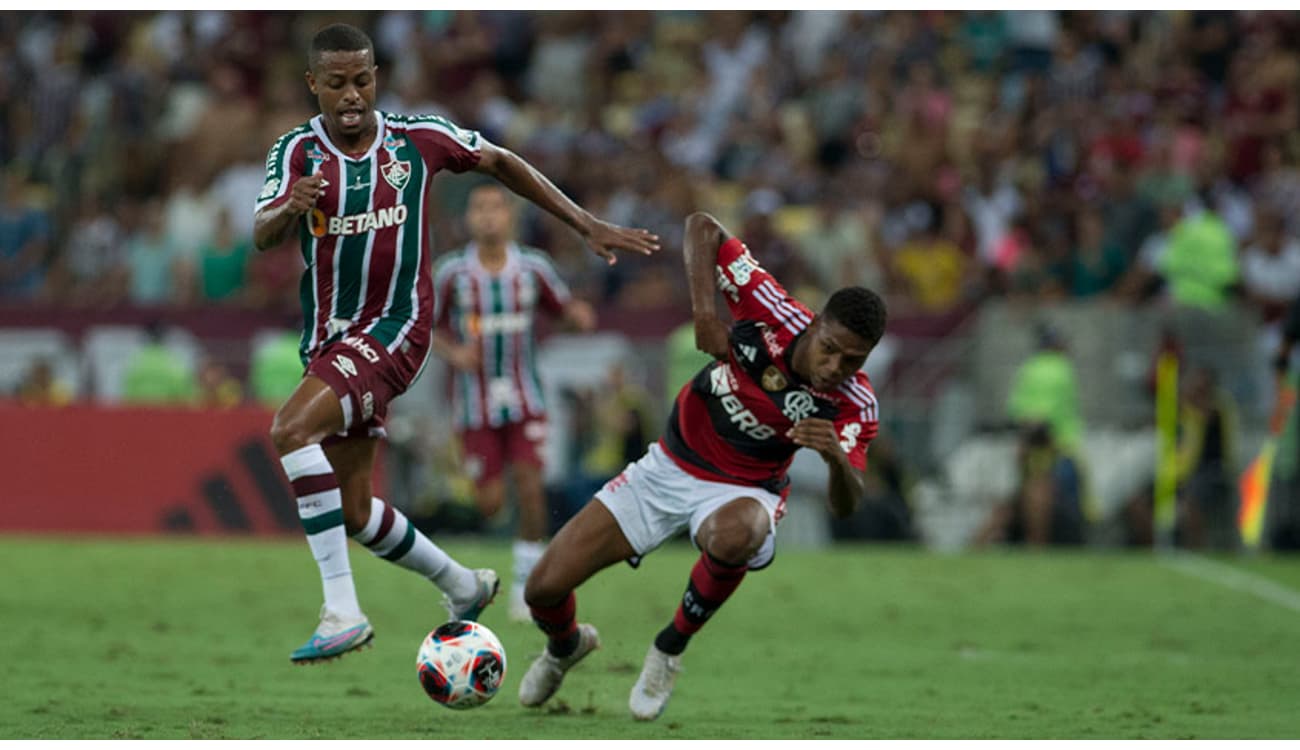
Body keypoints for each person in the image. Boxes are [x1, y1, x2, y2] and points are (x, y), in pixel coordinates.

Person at [253, 24, 658, 665]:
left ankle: (342, 611)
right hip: (329, 338)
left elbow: (501, 161)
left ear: (376, 76)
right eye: (337, 84)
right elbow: (262, 231)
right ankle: (463, 585)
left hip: (396, 327)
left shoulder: (418, 140)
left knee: (289, 432)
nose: (352, 94)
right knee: (355, 511)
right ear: (314, 85)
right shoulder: (296, 153)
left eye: (362, 79)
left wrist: (584, 223)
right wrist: (289, 209)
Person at [517, 211, 886, 721]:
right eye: (830, 350)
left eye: (853, 361)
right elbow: (700, 226)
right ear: (815, 322)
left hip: (744, 489)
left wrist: (836, 459)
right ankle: (564, 648)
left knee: (741, 534)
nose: (835, 368)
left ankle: (668, 649)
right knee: (542, 589)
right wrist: (705, 313)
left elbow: (847, 505)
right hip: (667, 465)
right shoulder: (770, 308)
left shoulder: (853, 404)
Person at [431, 183, 598, 623]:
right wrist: (455, 352)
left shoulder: (533, 268)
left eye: (495, 208)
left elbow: (564, 307)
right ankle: (492, 567)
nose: (488, 216)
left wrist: (578, 317)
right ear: (469, 218)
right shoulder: (452, 274)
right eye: (479, 208)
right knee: (489, 503)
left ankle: (526, 587)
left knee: (530, 486)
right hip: (475, 405)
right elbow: (426, 327)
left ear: (509, 218)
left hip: (527, 397)